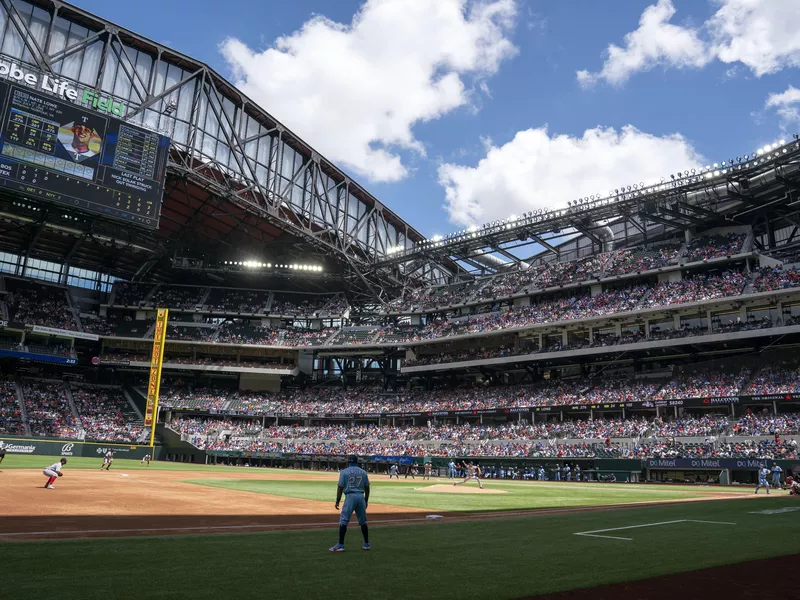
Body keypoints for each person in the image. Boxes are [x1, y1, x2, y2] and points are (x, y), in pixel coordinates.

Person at [329, 455, 370, 552]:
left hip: (350, 497)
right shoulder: (363, 472)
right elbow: (367, 487)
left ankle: (341, 545)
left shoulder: (344, 472)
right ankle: (366, 543)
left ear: (348, 462)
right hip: (360, 496)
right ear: (357, 462)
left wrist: (337, 501)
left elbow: (340, 487)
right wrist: (366, 500)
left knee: (344, 520)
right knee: (363, 521)